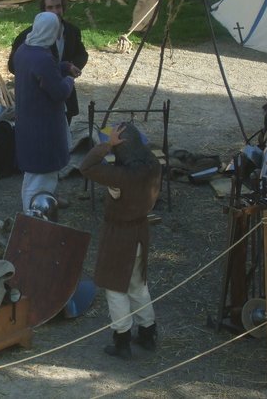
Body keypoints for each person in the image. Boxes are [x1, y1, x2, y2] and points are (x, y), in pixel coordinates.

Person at [80, 122, 161, 360]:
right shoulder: (154, 166)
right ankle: (148, 333)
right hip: (140, 233)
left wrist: (107, 145)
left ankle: (122, 340)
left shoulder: (121, 177)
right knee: (137, 285)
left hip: (120, 237)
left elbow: (86, 166)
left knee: (115, 289)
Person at [12, 11, 75, 212]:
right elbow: (58, 92)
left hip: (28, 122)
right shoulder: (43, 59)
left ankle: (30, 216)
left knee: (32, 177)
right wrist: (69, 80)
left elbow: (40, 73)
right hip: (43, 128)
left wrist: (63, 67)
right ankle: (33, 221)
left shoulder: (24, 50)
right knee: (41, 180)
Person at [7, 0, 88, 124]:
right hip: (39, 99)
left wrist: (71, 67)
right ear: (43, 11)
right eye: (50, 8)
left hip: (65, 95)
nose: (55, 11)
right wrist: (38, 78)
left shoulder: (72, 31)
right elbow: (13, 66)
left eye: (58, 7)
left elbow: (82, 54)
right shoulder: (27, 37)